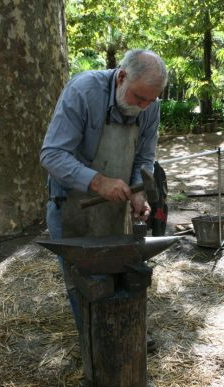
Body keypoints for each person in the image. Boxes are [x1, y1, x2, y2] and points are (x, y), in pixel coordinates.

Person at [40, 49, 168, 349]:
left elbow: (144, 157)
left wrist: (138, 191)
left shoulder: (150, 105)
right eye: (139, 98)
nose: (144, 107)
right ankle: (94, 343)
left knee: (122, 270)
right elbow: (52, 154)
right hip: (72, 204)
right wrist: (97, 181)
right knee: (83, 280)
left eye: (151, 100)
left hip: (113, 208)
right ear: (121, 77)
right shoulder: (83, 91)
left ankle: (128, 328)